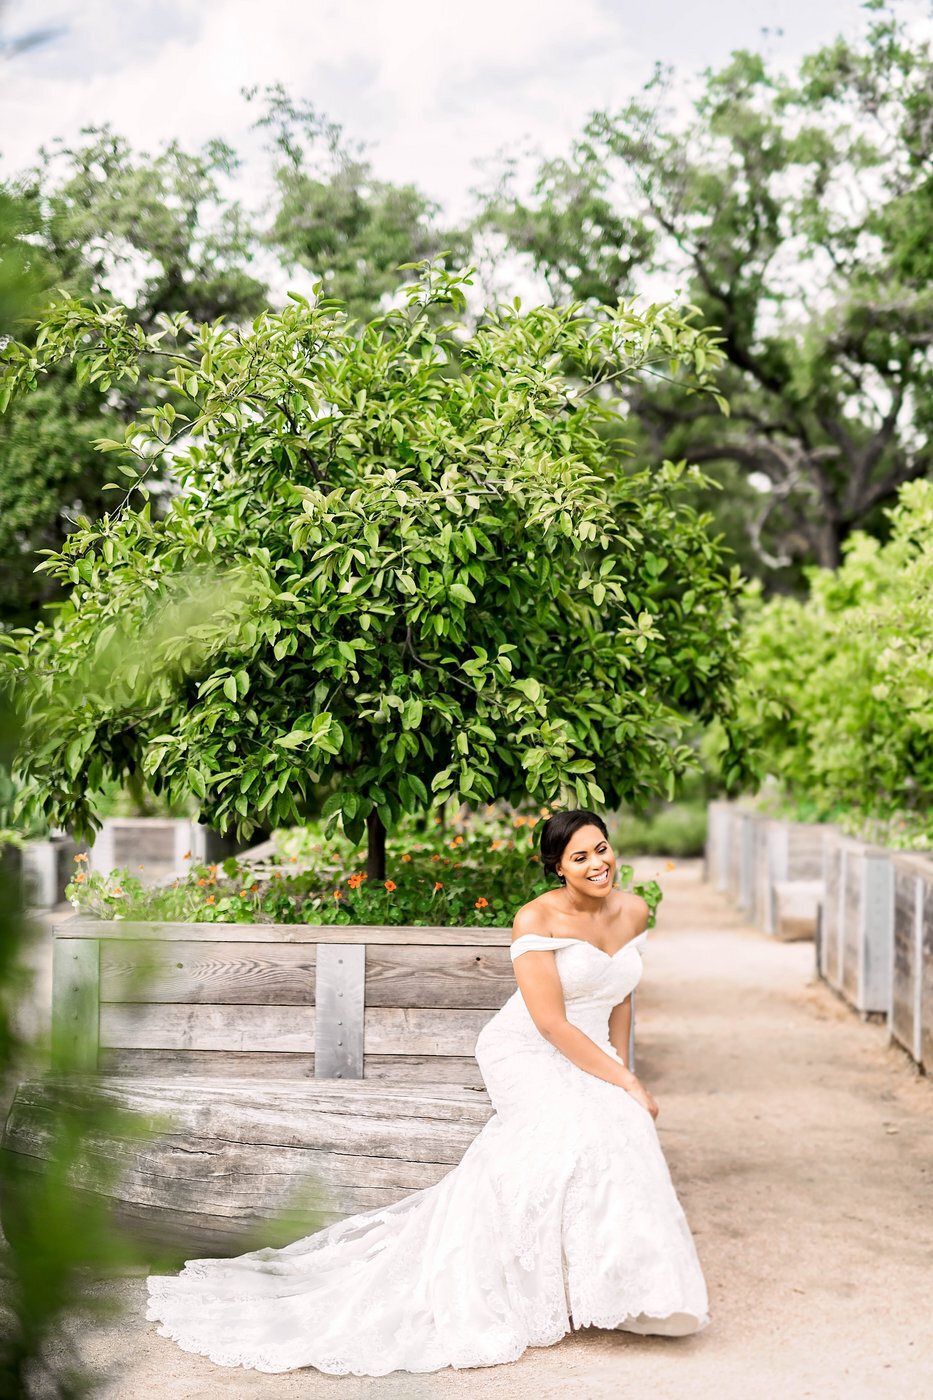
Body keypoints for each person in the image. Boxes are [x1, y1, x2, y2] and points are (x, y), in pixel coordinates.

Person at [146, 810, 709, 1375]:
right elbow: (550, 1024)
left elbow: (621, 997)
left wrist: (621, 1072)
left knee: (624, 1123)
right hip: (529, 1049)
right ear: (558, 867)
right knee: (570, 1136)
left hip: (590, 1049)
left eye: (601, 849)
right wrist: (625, 1079)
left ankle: (631, 1290)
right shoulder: (536, 918)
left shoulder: (632, 910)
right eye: (579, 857)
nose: (597, 863)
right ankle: (527, 1283)